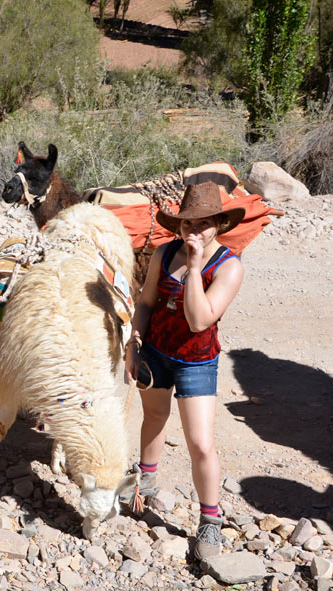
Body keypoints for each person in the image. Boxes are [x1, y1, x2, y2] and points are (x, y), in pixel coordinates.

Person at [123, 182, 245, 559]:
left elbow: (198, 320)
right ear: (177, 225)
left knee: (200, 443)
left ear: (219, 225)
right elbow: (145, 303)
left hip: (196, 360)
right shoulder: (163, 253)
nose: (196, 230)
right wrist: (133, 344)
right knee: (154, 417)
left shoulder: (229, 266)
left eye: (206, 223)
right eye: (189, 223)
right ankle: (146, 483)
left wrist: (194, 268)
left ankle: (210, 522)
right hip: (156, 351)